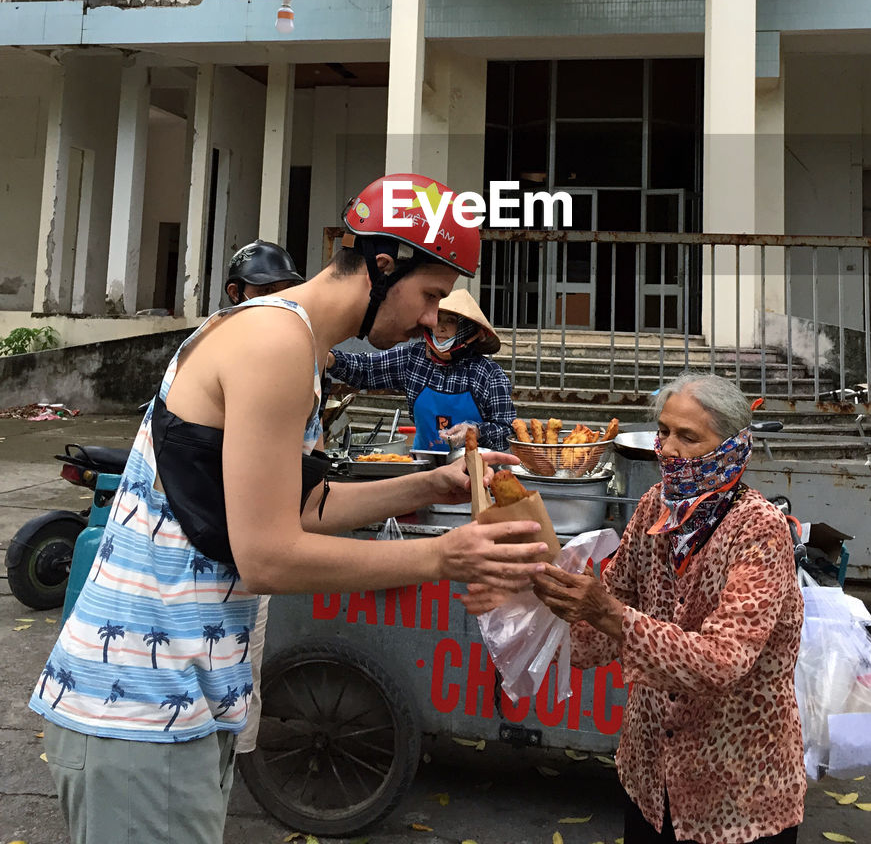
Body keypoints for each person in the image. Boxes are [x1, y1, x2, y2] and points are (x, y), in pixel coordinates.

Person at [32, 173, 547, 844]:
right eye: (430, 296)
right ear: (382, 265)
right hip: (139, 702)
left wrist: (431, 485)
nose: (431, 320)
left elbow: (303, 507)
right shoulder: (275, 344)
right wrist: (442, 556)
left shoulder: (296, 346)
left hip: (180, 701)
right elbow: (267, 554)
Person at [531, 372, 804, 844]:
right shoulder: (656, 505)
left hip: (738, 793)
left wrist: (609, 615)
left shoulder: (759, 530)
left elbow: (723, 661)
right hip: (650, 782)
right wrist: (544, 603)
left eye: (688, 437)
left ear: (732, 446)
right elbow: (603, 626)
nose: (668, 448)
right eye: (664, 432)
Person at [221, 238, 308, 761]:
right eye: (265, 292)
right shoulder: (218, 349)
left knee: (244, 665)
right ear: (236, 293)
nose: (277, 302)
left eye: (285, 292)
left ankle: (236, 757)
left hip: (245, 568)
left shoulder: (289, 355)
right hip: (209, 558)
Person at [327, 287, 516, 451]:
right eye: (436, 319)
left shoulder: (489, 374)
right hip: (424, 468)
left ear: (467, 330)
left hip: (473, 474)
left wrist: (476, 431)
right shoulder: (413, 359)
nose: (440, 328)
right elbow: (365, 369)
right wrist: (331, 359)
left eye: (450, 321)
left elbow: (507, 430)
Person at [223, 238, 303, 306]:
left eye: (288, 290)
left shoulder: (297, 324)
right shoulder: (219, 324)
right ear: (235, 293)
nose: (281, 300)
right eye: (267, 290)